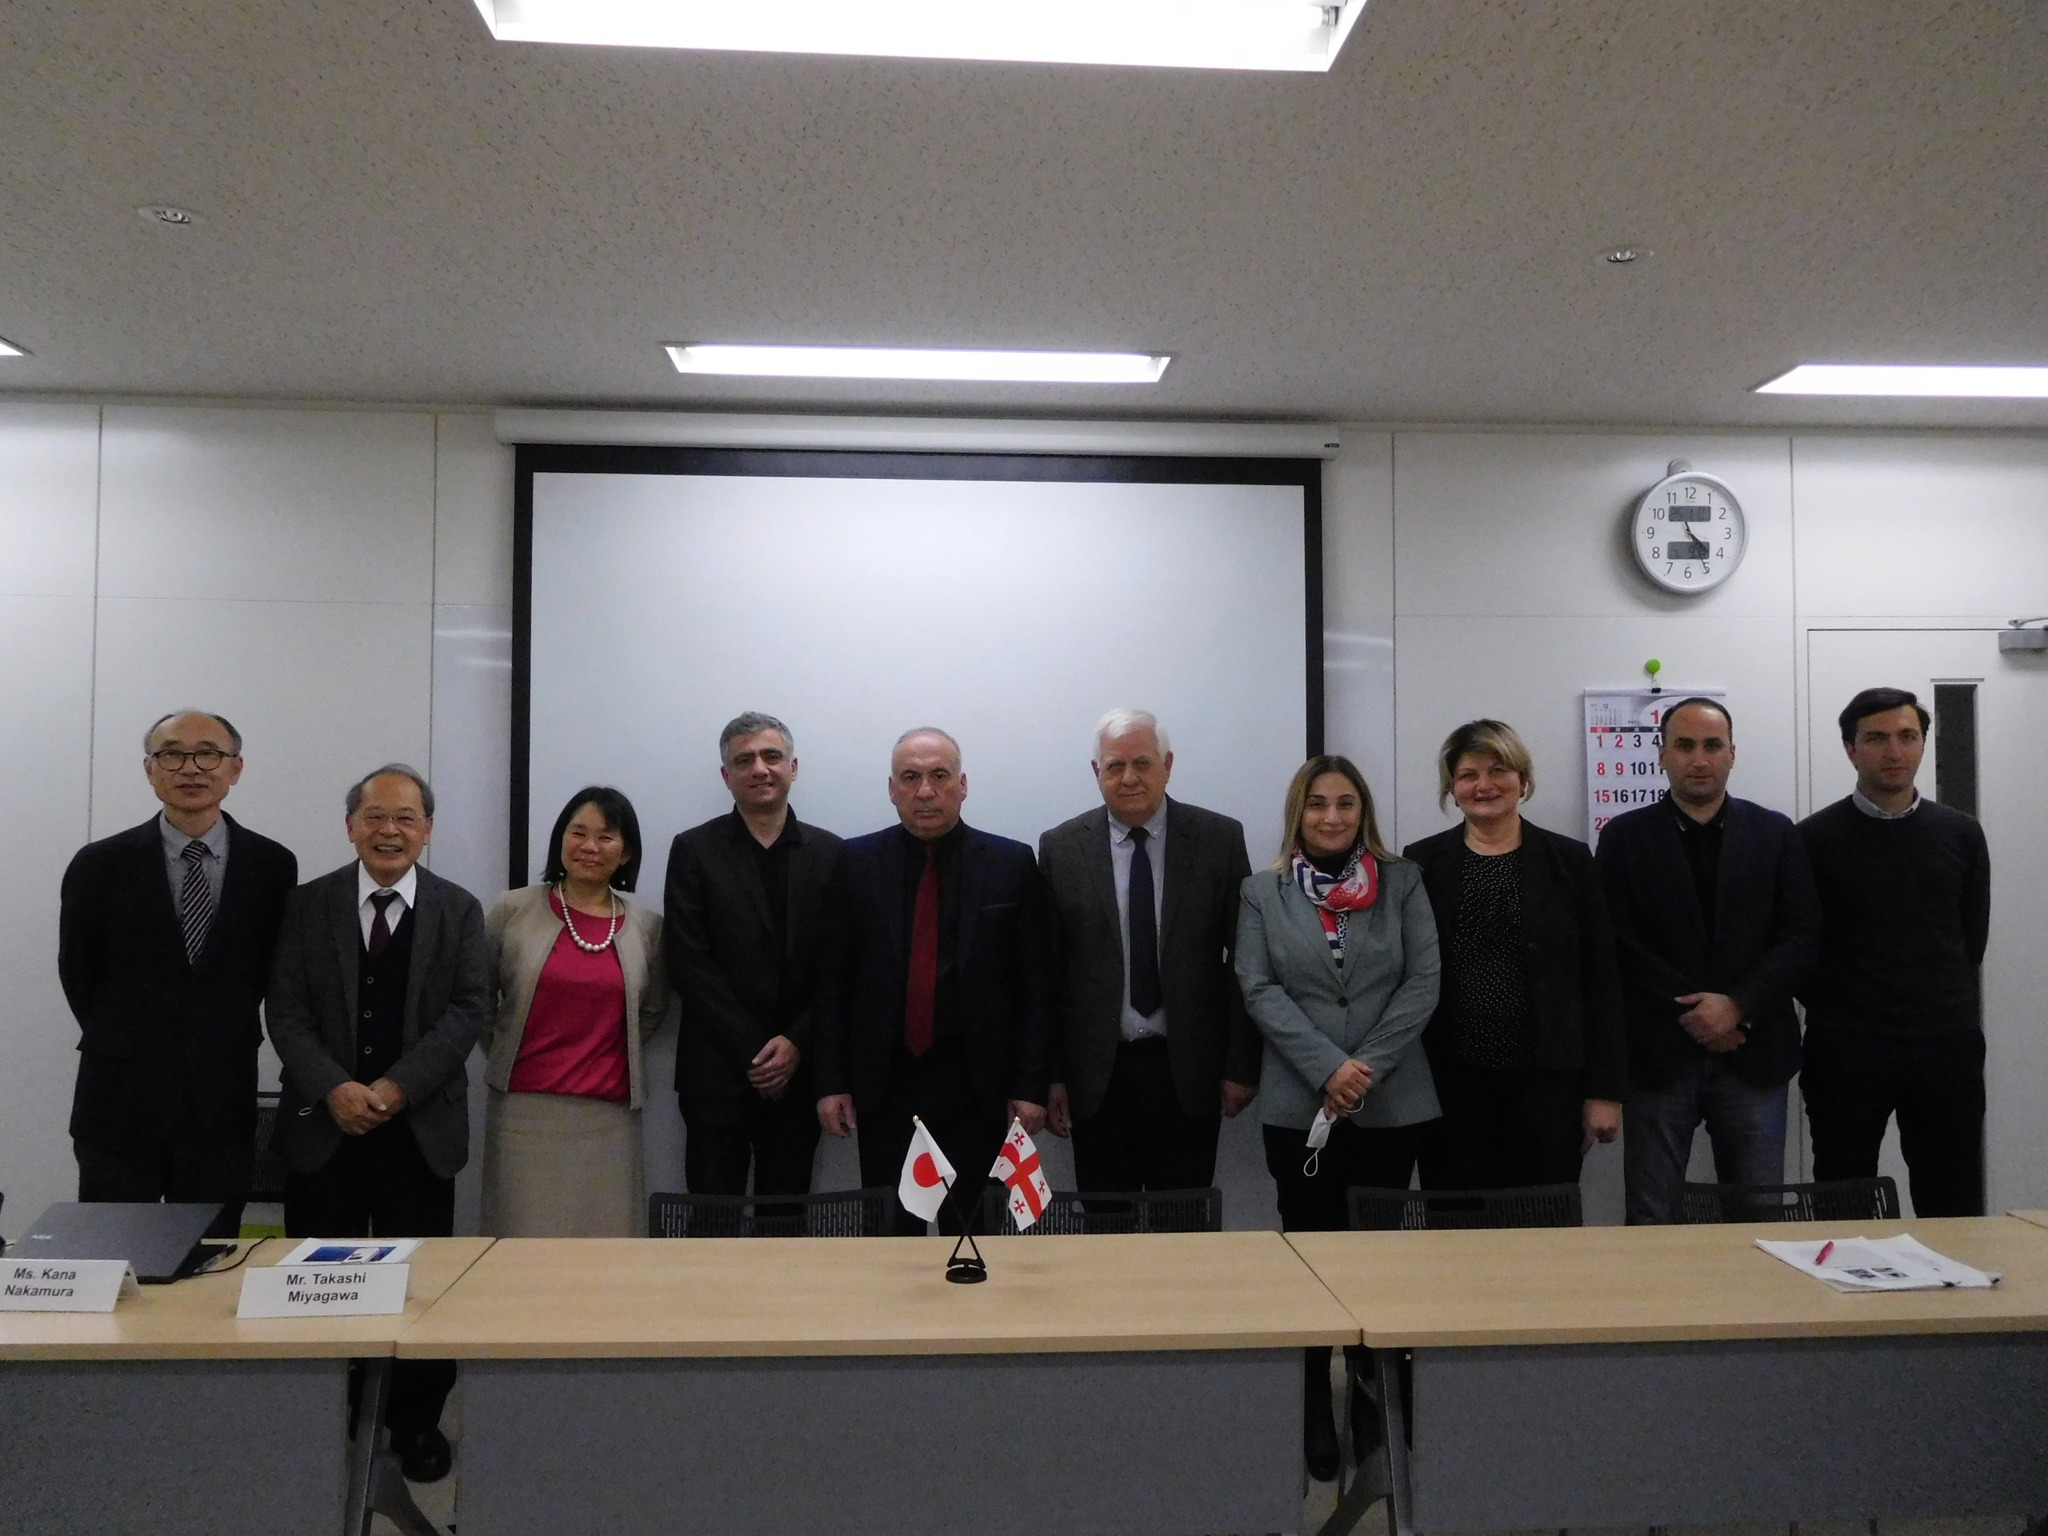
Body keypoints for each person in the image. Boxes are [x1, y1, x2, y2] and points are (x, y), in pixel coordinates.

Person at [265, 764, 490, 1484]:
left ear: (428, 829)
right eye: (374, 817)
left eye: (405, 818)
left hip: (418, 1131)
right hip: (324, 1127)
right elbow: (285, 1010)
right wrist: (334, 1086)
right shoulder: (308, 904)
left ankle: (415, 1420)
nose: (389, 831)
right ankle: (322, 1414)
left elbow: (468, 1009)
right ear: (350, 825)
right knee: (318, 1281)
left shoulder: (458, 909)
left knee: (418, 1284)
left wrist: (396, 1087)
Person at [1235, 753, 1440, 1482]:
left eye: (1345, 803)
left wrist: (1363, 1069)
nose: (1331, 816)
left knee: (1376, 1262)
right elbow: (1257, 987)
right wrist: (1328, 1067)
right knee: (1311, 1256)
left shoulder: (1403, 881)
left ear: (1363, 811)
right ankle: (1312, 1407)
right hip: (1300, 1104)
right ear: (1299, 811)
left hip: (1392, 1103)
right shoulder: (1261, 891)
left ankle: (1371, 1407)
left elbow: (1423, 981)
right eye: (1318, 803)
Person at [58, 710, 298, 1239]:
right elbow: (79, 973)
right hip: (119, 1100)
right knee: (113, 1255)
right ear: (150, 769)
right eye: (172, 754)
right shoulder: (98, 865)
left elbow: (269, 973)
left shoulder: (273, 866)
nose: (191, 768)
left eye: (208, 753)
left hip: (220, 1101)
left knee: (209, 1258)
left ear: (235, 769)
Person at [815, 728, 1052, 1235]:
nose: (925, 791)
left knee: (975, 1241)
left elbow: (1036, 984)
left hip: (978, 1091)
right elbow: (833, 980)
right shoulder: (854, 863)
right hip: (885, 1090)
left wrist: (1030, 1084)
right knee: (890, 1242)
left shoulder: (1010, 864)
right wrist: (831, 1082)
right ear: (891, 788)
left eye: (939, 776)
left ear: (963, 785)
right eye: (910, 777)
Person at [1594, 698, 1819, 1225]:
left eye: (1712, 746)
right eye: (1685, 745)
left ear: (1732, 754)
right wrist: (1698, 1013)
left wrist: (1736, 1006)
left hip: (1754, 1054)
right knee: (1651, 1215)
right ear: (1662, 755)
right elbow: (1617, 942)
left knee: (1759, 1214)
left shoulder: (1775, 833)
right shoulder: (1624, 837)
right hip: (1659, 1056)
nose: (1699, 759)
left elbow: (1801, 936)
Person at [1038, 708, 1258, 1191]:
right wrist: (1051, 1076)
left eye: (1142, 763)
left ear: (1168, 765)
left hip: (1189, 1071)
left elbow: (1246, 961)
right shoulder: (1061, 848)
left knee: (1183, 1221)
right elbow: (1048, 974)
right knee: (1106, 1221)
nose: (1129, 778)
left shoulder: (1219, 840)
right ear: (1096, 771)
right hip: (1097, 1076)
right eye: (1115, 766)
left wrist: (1241, 1066)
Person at [1402, 720, 1625, 1189]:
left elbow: (1602, 980)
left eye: (1498, 770)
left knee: (1543, 1219)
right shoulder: (1421, 863)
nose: (1483, 785)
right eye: (1468, 775)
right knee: (1456, 1220)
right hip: (1451, 1088)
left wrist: (1604, 1091)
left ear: (1522, 779)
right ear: (1452, 788)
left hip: (1548, 1087)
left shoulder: (1570, 861)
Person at [1798, 687, 1992, 1216]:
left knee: (1952, 1195)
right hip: (1846, 1047)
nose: (1894, 751)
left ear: (1923, 743)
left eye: (1908, 737)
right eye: (1877, 738)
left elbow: (1969, 939)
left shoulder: (1961, 835)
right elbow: (1801, 943)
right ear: (1850, 748)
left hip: (1944, 1044)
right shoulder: (1812, 839)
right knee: (1843, 1193)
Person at [665, 713, 843, 1198]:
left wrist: (795, 1041)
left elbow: (838, 966)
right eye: (744, 760)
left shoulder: (831, 854)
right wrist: (756, 1052)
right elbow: (687, 961)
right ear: (727, 776)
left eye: (772, 756)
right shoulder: (694, 850)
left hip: (800, 1074)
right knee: (712, 1218)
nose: (760, 768)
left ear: (793, 767)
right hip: (715, 1073)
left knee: (785, 1219)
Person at [481, 786, 665, 1236]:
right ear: (560, 840)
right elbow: (478, 1002)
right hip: (524, 1115)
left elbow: (651, 1011)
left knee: (605, 1252)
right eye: (578, 832)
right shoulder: (511, 910)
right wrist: (506, 1048)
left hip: (610, 1119)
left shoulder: (647, 928)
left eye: (606, 837)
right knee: (521, 1249)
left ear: (626, 853)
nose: (589, 846)